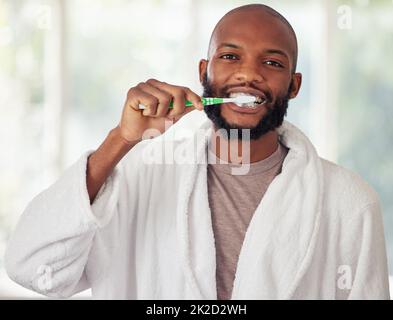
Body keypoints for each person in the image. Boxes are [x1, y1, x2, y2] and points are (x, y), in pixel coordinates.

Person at [5, 4, 390, 299]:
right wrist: (121, 139)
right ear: (204, 71)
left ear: (293, 85)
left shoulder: (348, 203)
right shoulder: (140, 177)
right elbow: (33, 266)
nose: (248, 74)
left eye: (272, 63)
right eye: (230, 56)